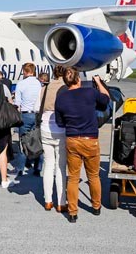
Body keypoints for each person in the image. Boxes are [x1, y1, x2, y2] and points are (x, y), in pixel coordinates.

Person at [55, 68, 110, 223]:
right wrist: (99, 83)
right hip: (90, 139)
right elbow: (105, 100)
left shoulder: (61, 98)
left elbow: (60, 123)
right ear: (78, 79)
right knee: (93, 175)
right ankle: (96, 206)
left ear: (65, 82)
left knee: (73, 177)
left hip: (72, 139)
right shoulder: (90, 93)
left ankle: (72, 212)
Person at [34, 65, 67, 212]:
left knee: (48, 165)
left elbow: (36, 108)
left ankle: (48, 201)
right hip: (62, 129)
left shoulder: (45, 88)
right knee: (60, 166)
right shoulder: (66, 88)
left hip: (45, 128)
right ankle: (61, 202)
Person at [14, 63, 42, 176]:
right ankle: (37, 168)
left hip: (25, 115)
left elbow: (17, 103)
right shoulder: (39, 84)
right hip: (36, 114)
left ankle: (20, 168)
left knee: (23, 142)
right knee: (37, 141)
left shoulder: (21, 84)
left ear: (24, 72)